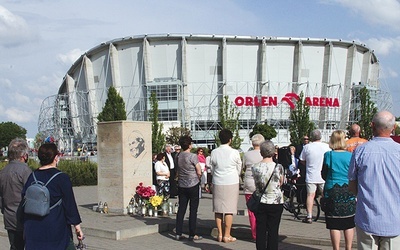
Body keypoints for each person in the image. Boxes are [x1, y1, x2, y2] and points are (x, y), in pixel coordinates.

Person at [348, 111, 400, 249]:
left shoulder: (360, 151)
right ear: (393, 127)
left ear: (372, 126)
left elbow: (352, 186)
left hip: (367, 217)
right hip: (394, 220)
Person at [22, 143, 83, 249]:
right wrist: (77, 227)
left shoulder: (32, 176)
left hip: (33, 229)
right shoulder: (62, 178)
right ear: (56, 158)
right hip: (55, 229)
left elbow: (24, 200)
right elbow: (70, 205)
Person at [322, 130, 356, 250]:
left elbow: (324, 174)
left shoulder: (328, 155)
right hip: (348, 189)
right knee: (349, 222)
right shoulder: (351, 155)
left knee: (334, 223)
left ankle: (336, 248)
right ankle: (349, 247)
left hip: (332, 189)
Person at [252, 140, 285, 250]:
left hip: (261, 201)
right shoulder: (278, 167)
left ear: (261, 152)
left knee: (260, 230)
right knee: (273, 231)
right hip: (275, 201)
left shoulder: (255, 167)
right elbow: (281, 182)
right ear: (273, 152)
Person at [0, 138, 32, 250]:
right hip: (24, 218)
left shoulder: (3, 172)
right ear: (24, 156)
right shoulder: (25, 171)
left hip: (9, 217)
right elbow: (32, 194)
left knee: (15, 246)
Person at [211, 129, 242, 243]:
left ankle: (219, 234)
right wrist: (235, 174)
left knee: (218, 209)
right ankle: (227, 235)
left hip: (218, 181)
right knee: (229, 209)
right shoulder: (234, 152)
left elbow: (212, 167)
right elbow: (239, 166)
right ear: (230, 139)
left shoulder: (214, 152)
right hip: (231, 181)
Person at [299, 129, 331, 223]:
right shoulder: (327, 147)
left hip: (311, 174)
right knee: (325, 195)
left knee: (310, 195)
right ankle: (328, 214)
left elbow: (302, 159)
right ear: (320, 137)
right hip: (323, 175)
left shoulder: (307, 147)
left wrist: (308, 164)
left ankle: (309, 216)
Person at [175, 136, 203, 241]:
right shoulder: (193, 156)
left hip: (182, 184)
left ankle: (178, 232)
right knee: (193, 210)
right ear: (189, 145)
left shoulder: (178, 156)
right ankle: (192, 234)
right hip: (193, 184)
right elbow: (199, 170)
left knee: (181, 209)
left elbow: (177, 169)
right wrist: (199, 177)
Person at [242, 133, 265, 241]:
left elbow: (243, 167)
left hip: (249, 183)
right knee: (262, 209)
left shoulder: (247, 154)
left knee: (251, 210)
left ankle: (255, 234)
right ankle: (262, 232)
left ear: (252, 142)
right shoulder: (264, 154)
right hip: (261, 184)